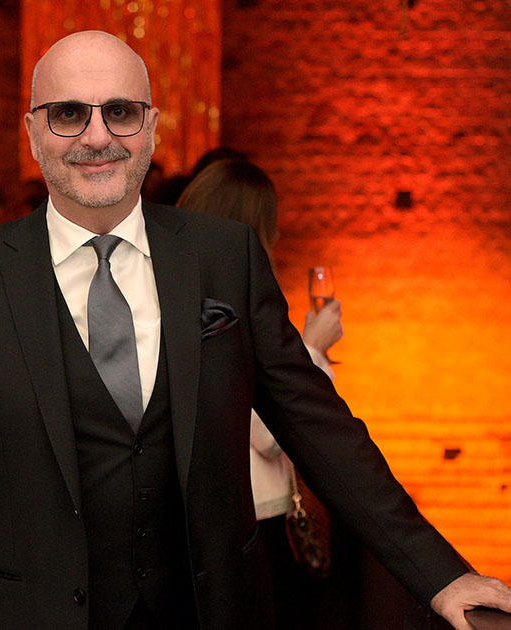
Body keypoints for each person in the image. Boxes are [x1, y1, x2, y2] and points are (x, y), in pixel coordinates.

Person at [0, 30, 511, 630]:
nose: (97, 137)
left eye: (121, 112)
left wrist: (441, 574)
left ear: (151, 126)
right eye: (68, 114)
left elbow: (318, 426)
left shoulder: (225, 256)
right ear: (33, 132)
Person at [178, 158, 345, 628]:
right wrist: (312, 348)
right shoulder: (222, 306)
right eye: (270, 225)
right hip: (253, 523)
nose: (277, 237)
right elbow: (269, 433)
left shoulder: (177, 294)